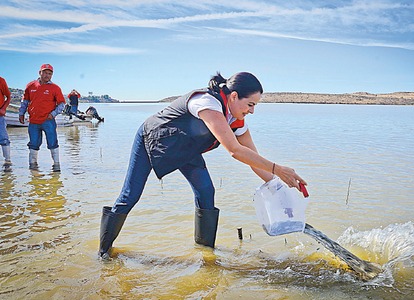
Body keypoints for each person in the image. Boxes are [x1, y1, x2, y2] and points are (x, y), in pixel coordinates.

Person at [99, 71, 307, 259]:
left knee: (206, 191)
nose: (252, 111)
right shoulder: (207, 103)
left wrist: (280, 183)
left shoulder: (236, 120)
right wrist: (277, 168)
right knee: (130, 195)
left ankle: (206, 254)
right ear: (234, 96)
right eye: (250, 104)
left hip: (186, 148)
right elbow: (234, 150)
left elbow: (254, 158)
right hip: (153, 138)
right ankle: (103, 253)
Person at [19, 64, 66, 172]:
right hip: (33, 122)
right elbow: (25, 101)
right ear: (40, 72)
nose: (47, 75)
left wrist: (53, 114)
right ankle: (33, 168)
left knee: (53, 143)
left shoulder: (55, 88)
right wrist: (21, 114)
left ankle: (56, 167)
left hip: (48, 121)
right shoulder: (30, 85)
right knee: (33, 144)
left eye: (50, 74)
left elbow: (61, 104)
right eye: (45, 72)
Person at [0, 76, 12, 172]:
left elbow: (8, 96)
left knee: (4, 139)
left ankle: (7, 161)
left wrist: (3, 108)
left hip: (0, 116)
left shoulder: (1, 80)